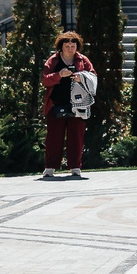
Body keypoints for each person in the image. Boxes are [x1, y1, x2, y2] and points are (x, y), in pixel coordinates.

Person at [39, 30, 94, 179]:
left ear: (77, 47)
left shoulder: (83, 60)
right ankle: (50, 167)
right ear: (61, 46)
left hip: (78, 104)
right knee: (53, 137)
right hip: (55, 104)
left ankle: (75, 167)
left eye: (73, 46)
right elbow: (45, 79)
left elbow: (93, 77)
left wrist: (81, 78)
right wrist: (59, 75)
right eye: (67, 46)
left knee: (76, 136)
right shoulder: (53, 60)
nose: (70, 48)